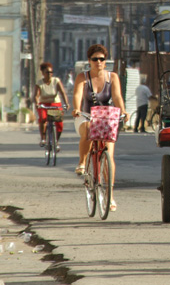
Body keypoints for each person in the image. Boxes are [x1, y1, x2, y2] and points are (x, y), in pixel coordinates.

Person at [72, 44, 128, 210]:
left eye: (101, 59)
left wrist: (123, 112)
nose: (98, 62)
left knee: (109, 157)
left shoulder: (113, 77)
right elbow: (77, 94)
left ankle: (109, 196)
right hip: (86, 116)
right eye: (95, 59)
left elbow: (117, 96)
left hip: (106, 118)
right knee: (88, 129)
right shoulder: (83, 77)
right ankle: (82, 162)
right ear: (89, 61)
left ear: (105, 61)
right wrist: (76, 109)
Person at [34, 61, 69, 149]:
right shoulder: (39, 83)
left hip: (55, 104)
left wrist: (66, 103)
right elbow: (36, 96)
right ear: (43, 73)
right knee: (43, 118)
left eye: (51, 72)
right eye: (47, 72)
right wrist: (37, 103)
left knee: (59, 124)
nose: (50, 74)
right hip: (44, 105)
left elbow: (62, 93)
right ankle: (43, 138)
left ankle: (56, 141)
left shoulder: (56, 81)